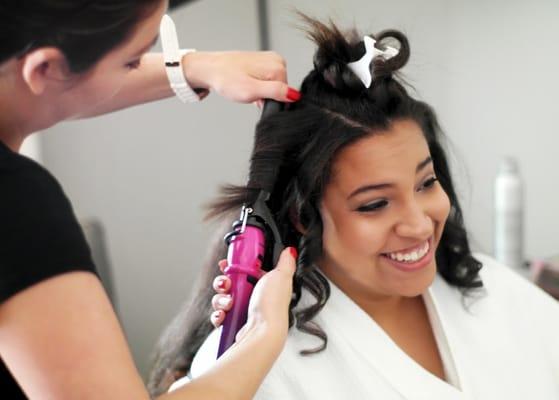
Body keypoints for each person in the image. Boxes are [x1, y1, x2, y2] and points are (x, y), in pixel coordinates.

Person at [149, 15, 559, 399]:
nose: (418, 225)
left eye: (427, 183)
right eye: (375, 204)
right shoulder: (259, 369)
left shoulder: (499, 294)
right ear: (303, 217)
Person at [0, 1, 300, 399]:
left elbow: (61, 89)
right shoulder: (18, 205)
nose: (147, 63)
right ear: (44, 69)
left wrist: (194, 68)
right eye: (133, 60)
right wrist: (263, 334)